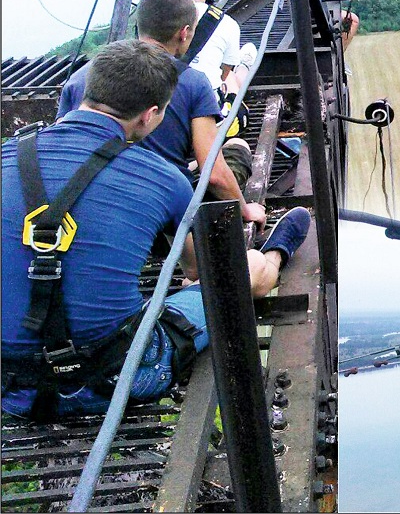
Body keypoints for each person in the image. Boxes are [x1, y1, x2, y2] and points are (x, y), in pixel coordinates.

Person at [1, 39, 312, 419]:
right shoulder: (163, 178)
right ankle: (275, 254)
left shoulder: (7, 155)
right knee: (241, 272)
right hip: (115, 379)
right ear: (150, 115)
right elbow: (199, 271)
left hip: (11, 390)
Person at [56, 0, 265, 228]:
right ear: (184, 33)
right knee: (236, 147)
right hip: (162, 205)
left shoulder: (79, 78)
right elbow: (214, 174)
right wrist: (246, 210)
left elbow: (63, 145)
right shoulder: (193, 82)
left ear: (139, 25)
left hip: (94, 200)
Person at [153, 0, 257, 142]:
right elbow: (223, 74)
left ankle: (242, 65)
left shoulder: (150, 18)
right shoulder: (226, 23)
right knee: (229, 77)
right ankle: (244, 66)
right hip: (208, 120)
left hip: (163, 118)